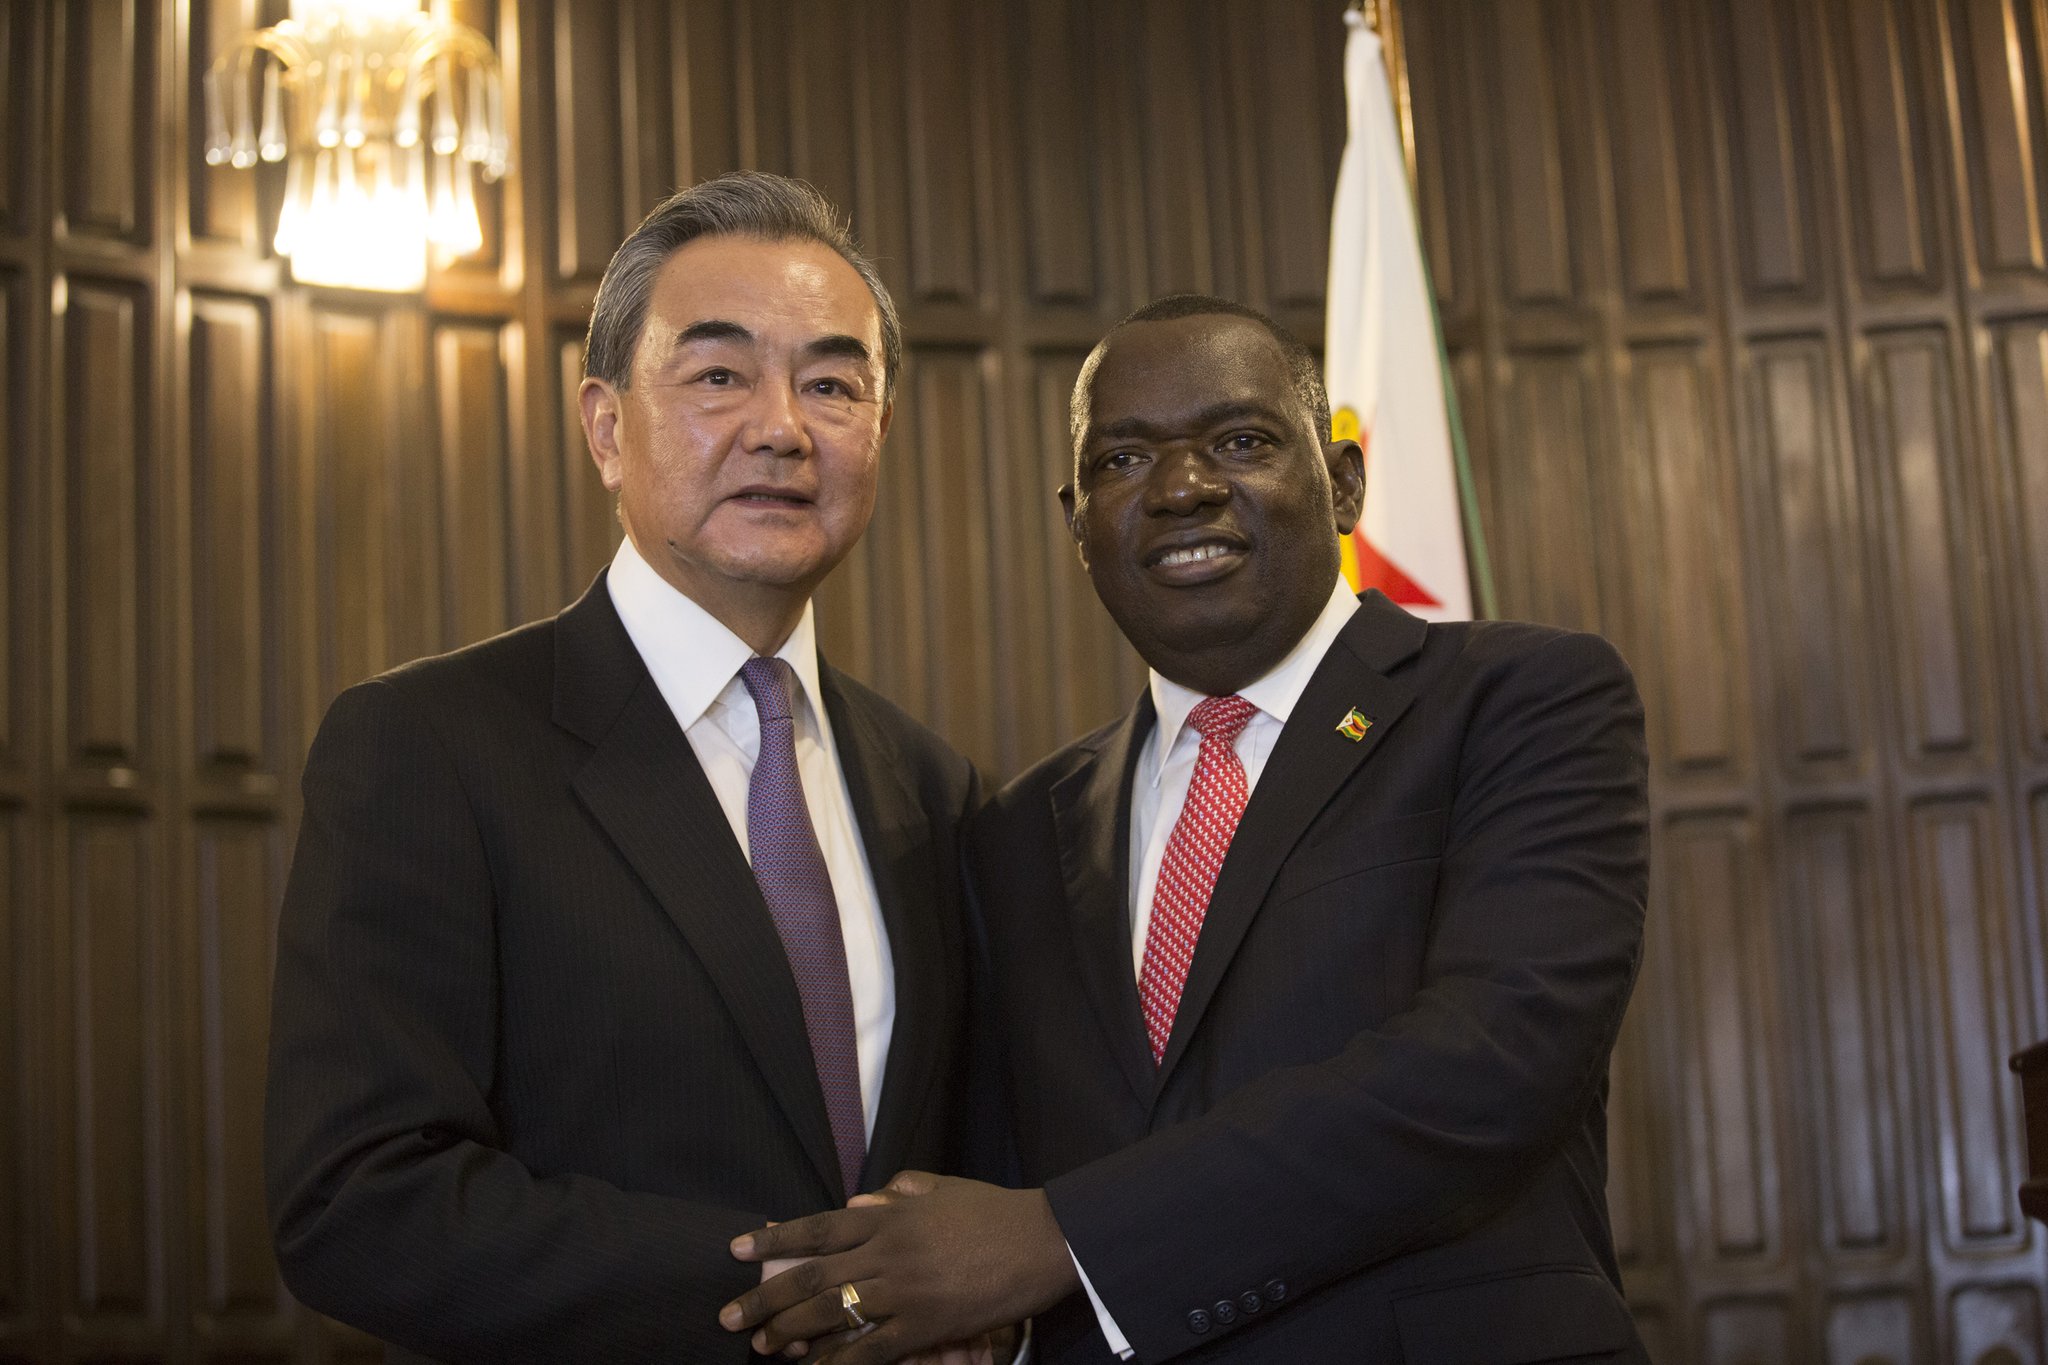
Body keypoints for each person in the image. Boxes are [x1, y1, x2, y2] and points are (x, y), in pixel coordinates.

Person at [722, 295, 1652, 1363]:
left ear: (1343, 483)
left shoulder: (1520, 702)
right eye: (1123, 461)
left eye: (1241, 442)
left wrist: (1064, 1241)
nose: (1181, 488)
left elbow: (1492, 1068)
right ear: (1077, 523)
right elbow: (993, 1187)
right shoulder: (1016, 832)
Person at [264, 172, 994, 1363]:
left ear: (878, 432)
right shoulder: (427, 747)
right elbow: (359, 1201)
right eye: (718, 376)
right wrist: (811, 1297)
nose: (781, 427)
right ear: (605, 428)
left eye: (831, 384)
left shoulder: (934, 789)